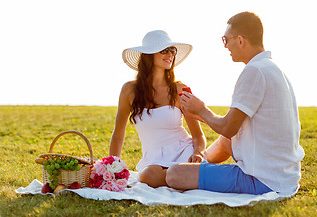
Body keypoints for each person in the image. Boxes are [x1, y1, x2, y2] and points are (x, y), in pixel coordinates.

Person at [166, 12, 305, 196]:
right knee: (227, 142)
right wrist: (199, 118)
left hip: (262, 180)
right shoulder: (272, 68)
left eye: (226, 40)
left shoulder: (254, 71)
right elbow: (230, 135)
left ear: (240, 40)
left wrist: (201, 110)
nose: (226, 46)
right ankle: (202, 162)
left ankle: (196, 169)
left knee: (174, 174)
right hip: (284, 176)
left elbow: (228, 127)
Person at [109, 30, 206, 188]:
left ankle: (184, 177)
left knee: (168, 174)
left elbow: (198, 136)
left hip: (185, 154)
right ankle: (183, 180)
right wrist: (111, 167)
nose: (170, 55)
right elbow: (118, 135)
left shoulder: (179, 89)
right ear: (149, 55)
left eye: (172, 50)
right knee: (147, 176)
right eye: (164, 50)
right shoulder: (129, 90)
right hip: (153, 162)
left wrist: (198, 153)